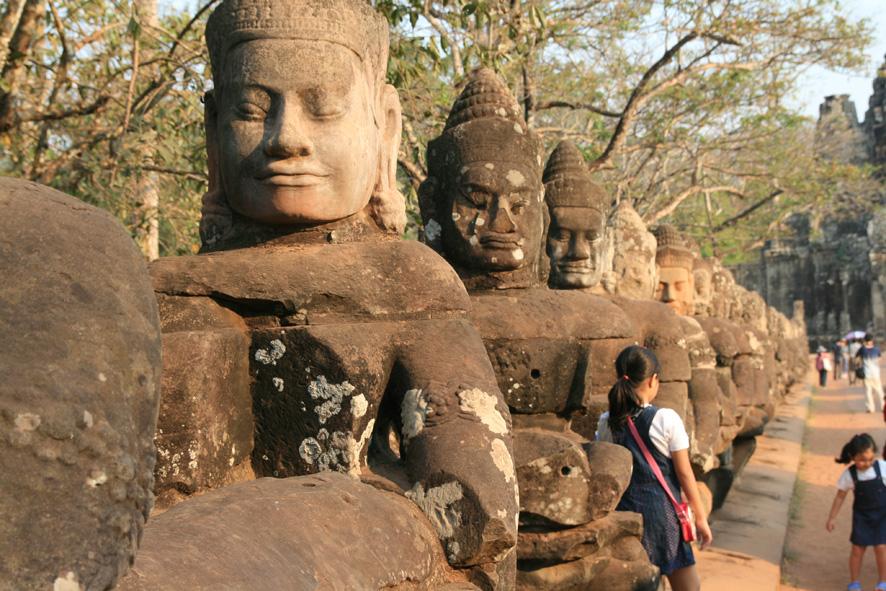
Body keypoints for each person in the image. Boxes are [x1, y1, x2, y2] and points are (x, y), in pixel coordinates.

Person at [596, 345, 713, 591]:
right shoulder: (666, 419)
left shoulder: (607, 422)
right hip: (663, 517)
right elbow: (684, 473)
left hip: (625, 514)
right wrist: (700, 518)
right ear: (653, 380)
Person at [825, 434, 886, 591]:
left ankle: (882, 582)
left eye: (870, 459)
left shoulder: (882, 467)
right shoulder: (849, 475)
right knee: (857, 550)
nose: (866, 463)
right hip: (862, 517)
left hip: (882, 517)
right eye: (862, 460)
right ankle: (854, 583)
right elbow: (840, 497)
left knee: (881, 548)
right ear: (852, 457)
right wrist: (832, 517)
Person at [856, 335, 883, 414]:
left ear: (865, 341)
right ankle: (883, 406)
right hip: (876, 373)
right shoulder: (876, 349)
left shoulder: (862, 349)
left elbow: (857, 359)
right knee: (879, 391)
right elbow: (879, 358)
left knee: (868, 391)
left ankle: (870, 408)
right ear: (872, 340)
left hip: (866, 373)